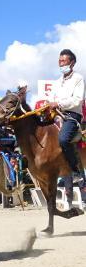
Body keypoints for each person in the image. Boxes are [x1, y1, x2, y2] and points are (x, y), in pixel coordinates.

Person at [48, 48, 84, 185]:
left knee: (63, 139)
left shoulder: (78, 78)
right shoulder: (57, 82)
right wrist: (48, 104)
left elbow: (78, 100)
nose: (61, 64)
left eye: (64, 61)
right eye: (59, 61)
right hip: (55, 114)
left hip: (72, 116)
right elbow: (51, 98)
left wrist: (58, 103)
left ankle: (75, 171)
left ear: (72, 63)